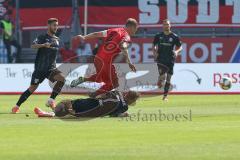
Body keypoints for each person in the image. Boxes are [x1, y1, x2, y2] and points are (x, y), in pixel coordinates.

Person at [70, 18, 138, 98]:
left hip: (98, 58)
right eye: (136, 28)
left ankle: (84, 79)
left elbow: (97, 34)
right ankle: (94, 95)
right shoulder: (126, 36)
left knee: (101, 78)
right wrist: (129, 62)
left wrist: (84, 37)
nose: (136, 30)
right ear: (132, 27)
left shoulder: (114, 30)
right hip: (106, 61)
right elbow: (124, 46)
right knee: (114, 83)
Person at [11, 18, 65, 113]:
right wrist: (43, 45)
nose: (56, 27)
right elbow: (33, 46)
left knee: (62, 79)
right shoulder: (42, 37)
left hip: (51, 69)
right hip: (40, 69)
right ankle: (16, 106)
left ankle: (51, 100)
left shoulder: (57, 39)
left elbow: (53, 55)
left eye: (57, 25)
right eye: (54, 25)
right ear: (48, 26)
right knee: (32, 88)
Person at [34, 90, 140, 118]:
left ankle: (53, 107)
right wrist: (124, 114)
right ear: (130, 99)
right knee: (69, 113)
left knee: (70, 104)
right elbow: (112, 115)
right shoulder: (124, 106)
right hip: (92, 110)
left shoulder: (117, 92)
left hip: (90, 102)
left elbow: (102, 94)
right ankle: (49, 113)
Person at [152, 19, 183, 101]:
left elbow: (180, 47)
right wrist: (155, 52)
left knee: (168, 78)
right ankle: (160, 79)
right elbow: (154, 45)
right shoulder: (158, 35)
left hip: (170, 59)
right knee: (163, 76)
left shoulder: (174, 36)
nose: (166, 26)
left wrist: (176, 51)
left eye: (168, 24)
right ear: (163, 26)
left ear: (170, 25)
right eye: (165, 24)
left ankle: (165, 96)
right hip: (161, 59)